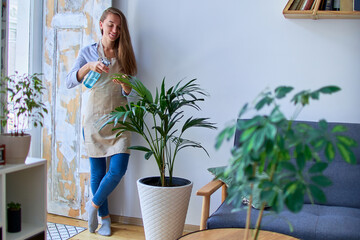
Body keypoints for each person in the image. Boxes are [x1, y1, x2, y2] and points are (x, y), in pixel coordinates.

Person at [65, 7, 137, 236]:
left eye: (118, 26)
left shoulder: (125, 53)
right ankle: (104, 219)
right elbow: (69, 82)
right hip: (94, 119)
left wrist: (126, 85)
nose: (114, 30)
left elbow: (131, 94)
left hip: (120, 121)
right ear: (101, 24)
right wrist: (88, 67)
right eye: (110, 25)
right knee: (97, 173)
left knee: (117, 170)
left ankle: (92, 204)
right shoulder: (88, 52)